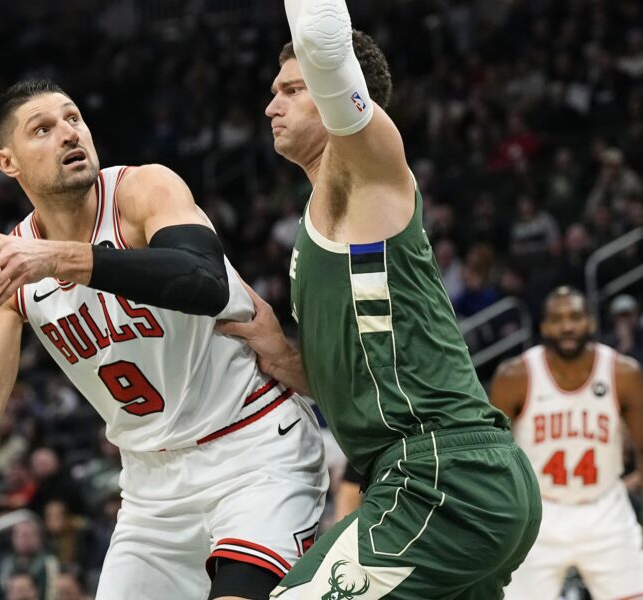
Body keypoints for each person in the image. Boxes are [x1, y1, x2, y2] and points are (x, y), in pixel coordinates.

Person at [0, 78, 327, 600]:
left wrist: (57, 259)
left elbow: (204, 279)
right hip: (150, 490)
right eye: (43, 129)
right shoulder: (15, 261)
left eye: (73, 119)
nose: (68, 134)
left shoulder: (142, 190)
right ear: (7, 162)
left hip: (254, 451)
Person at [218, 1, 542, 597]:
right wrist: (283, 357)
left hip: (442, 479)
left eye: (292, 88)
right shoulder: (317, 223)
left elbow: (324, 42)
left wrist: (319, 45)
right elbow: (362, 384)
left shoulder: (367, 172)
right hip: (449, 476)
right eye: (273, 91)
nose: (271, 105)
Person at [490, 286, 643, 599]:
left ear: (591, 322)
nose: (567, 326)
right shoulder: (515, 376)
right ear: (544, 327)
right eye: (557, 319)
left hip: (605, 509)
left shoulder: (623, 373)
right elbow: (491, 457)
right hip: (539, 514)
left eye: (575, 317)